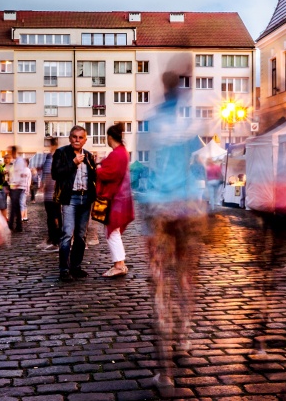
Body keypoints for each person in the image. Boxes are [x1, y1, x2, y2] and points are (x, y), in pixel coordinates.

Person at [137, 57, 206, 390]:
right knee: (187, 275)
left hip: (159, 208)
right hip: (187, 208)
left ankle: (164, 373)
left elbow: (142, 169)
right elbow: (199, 163)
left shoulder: (149, 122)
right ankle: (186, 334)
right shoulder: (188, 120)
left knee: (159, 281)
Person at [52, 125, 97, 282]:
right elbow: (55, 173)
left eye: (80, 137)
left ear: (85, 140)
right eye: (74, 137)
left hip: (86, 199)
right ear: (70, 138)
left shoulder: (90, 156)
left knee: (81, 235)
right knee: (67, 233)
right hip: (70, 198)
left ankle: (75, 267)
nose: (77, 140)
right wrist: (73, 163)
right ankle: (64, 269)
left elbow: (93, 178)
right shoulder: (61, 152)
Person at [96, 124, 135, 277]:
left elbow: (110, 173)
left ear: (109, 137)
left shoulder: (117, 153)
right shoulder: (122, 152)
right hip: (122, 197)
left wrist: (97, 169)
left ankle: (119, 264)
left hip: (116, 198)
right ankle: (121, 264)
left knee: (112, 230)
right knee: (113, 231)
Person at [37, 137, 61, 253]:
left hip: (54, 193)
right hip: (49, 193)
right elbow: (45, 175)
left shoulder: (57, 158)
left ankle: (56, 241)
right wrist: (43, 184)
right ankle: (52, 239)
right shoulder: (48, 157)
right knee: (51, 217)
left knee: (54, 217)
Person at [7, 146, 27, 232]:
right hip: (13, 186)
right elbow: (13, 174)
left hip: (17, 186)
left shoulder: (19, 161)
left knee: (14, 205)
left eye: (10, 152)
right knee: (16, 206)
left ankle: (11, 224)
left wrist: (17, 184)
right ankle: (18, 225)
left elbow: (21, 174)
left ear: (13, 152)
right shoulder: (14, 161)